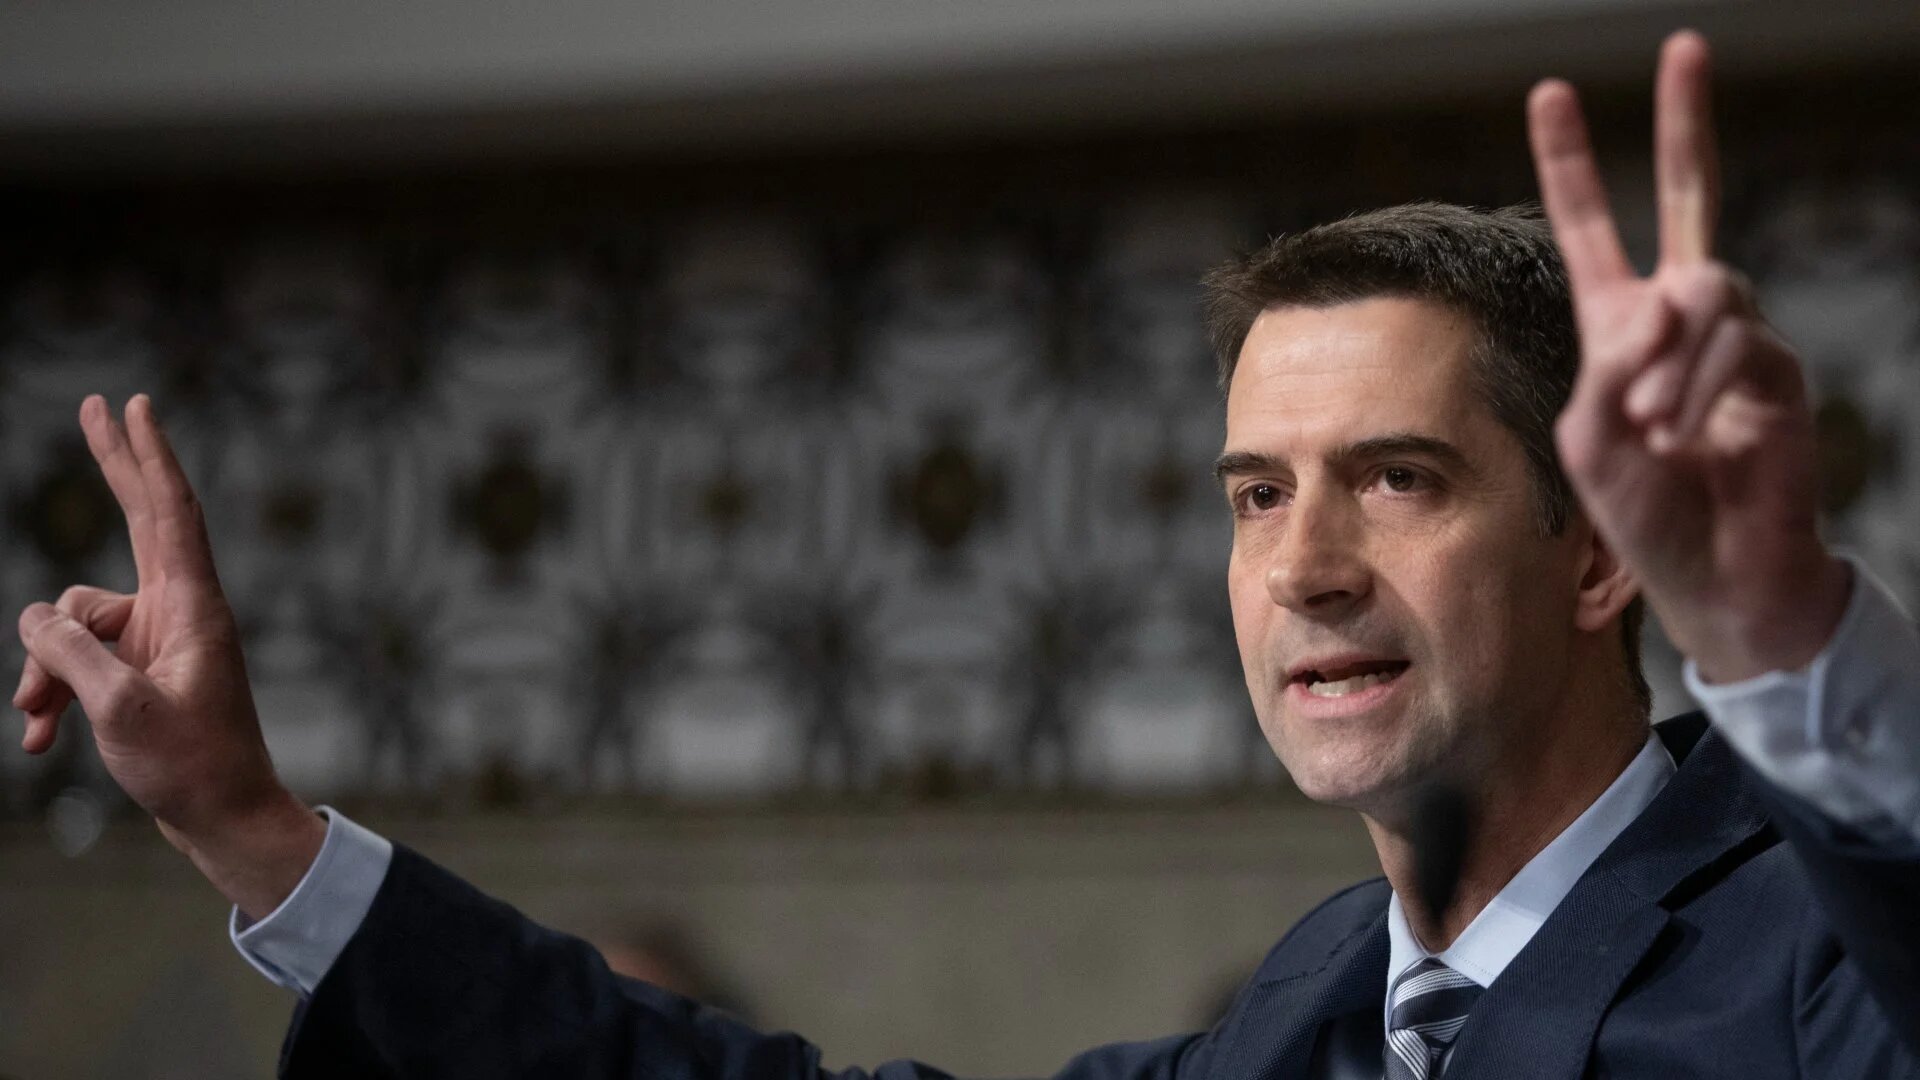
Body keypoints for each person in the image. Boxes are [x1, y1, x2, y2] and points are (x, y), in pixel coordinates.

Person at [12, 30, 1920, 1079]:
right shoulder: (1296, 1025)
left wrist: (1776, 628)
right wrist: (254, 831)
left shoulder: (1821, 959)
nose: (1305, 567)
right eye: (1256, 495)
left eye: (1398, 478)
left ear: (1600, 556)